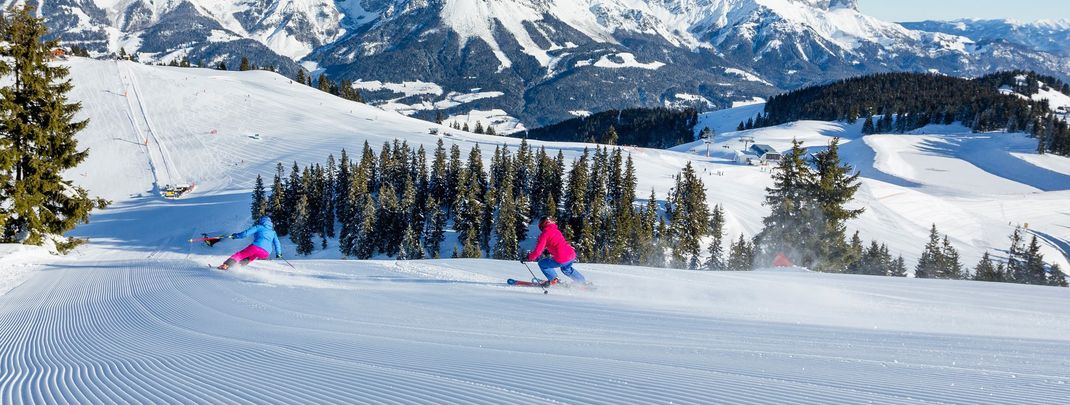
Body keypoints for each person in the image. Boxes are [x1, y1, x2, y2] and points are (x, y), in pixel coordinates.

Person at [523, 217, 588, 285]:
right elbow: (555, 243)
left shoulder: (545, 234)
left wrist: (529, 257)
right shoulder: (556, 230)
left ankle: (554, 280)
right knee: (566, 269)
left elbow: (538, 251)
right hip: (571, 254)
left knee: (542, 264)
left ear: (542, 225)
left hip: (562, 257)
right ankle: (582, 282)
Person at [218, 216, 283, 270]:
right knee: (250, 257)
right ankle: (238, 267)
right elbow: (277, 243)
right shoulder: (273, 232)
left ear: (261, 221)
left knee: (240, 254)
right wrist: (279, 253)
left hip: (256, 246)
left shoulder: (259, 227)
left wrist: (235, 236)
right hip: (266, 253)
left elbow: (245, 233)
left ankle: (226, 265)